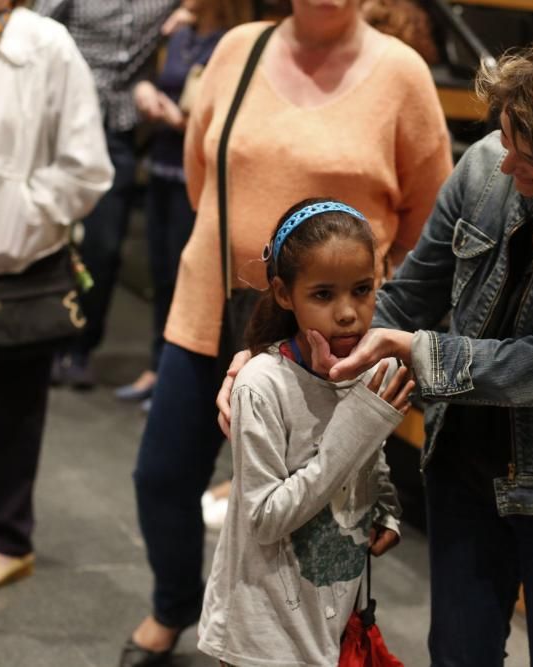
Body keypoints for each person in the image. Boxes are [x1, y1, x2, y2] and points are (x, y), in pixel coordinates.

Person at [216, 28, 533, 666]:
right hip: (463, 467)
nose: (504, 163)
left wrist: (420, 354)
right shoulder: (484, 165)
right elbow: (404, 298)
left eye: (527, 157)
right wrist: (273, 357)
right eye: (506, 138)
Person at [123, 0, 451, 663]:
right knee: (162, 473)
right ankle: (174, 603)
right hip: (215, 297)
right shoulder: (238, 47)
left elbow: (429, 218)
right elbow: (199, 175)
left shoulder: (400, 73)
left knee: (307, 507)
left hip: (333, 327)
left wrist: (351, 299)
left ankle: (296, 641)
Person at [198, 198, 413, 666]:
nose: (347, 313)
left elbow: (366, 464)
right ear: (283, 293)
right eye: (323, 295)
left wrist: (385, 509)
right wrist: (359, 420)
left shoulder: (371, 370)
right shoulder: (261, 385)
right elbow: (265, 518)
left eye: (362, 289)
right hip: (264, 637)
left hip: (332, 626)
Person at [0, 0, 112, 592]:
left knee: (10, 407)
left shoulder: (45, 44)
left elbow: (86, 169)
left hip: (15, 258)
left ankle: (8, 538)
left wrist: (21, 212)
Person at [33, 0, 182, 389]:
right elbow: (35, 31)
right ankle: (36, 335)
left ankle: (79, 346)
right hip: (58, 121)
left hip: (116, 131)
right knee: (44, 231)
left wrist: (191, 16)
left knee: (104, 245)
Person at [116, 0, 249, 408]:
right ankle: (157, 367)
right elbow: (149, 75)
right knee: (159, 273)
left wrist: (184, 121)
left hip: (200, 176)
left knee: (183, 276)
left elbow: (229, 113)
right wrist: (147, 94)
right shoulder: (178, 33)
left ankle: (180, 381)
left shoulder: (232, 42)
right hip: (161, 163)